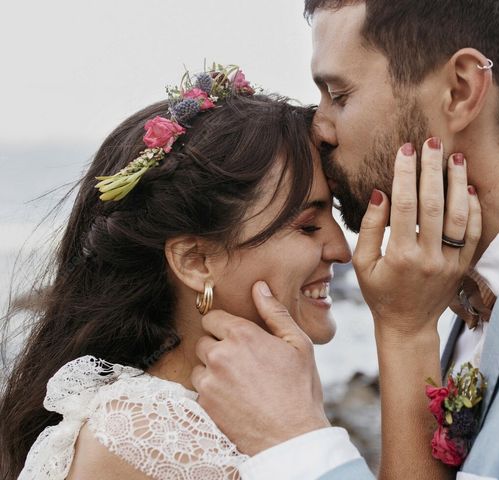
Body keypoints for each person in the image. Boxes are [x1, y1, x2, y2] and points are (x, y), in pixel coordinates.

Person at [190, 2, 499, 480]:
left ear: (460, 91)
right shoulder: (470, 295)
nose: (318, 128)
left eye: (339, 95)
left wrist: (298, 444)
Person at [0, 65, 367, 479]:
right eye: (307, 226)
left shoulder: (187, 419)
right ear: (196, 261)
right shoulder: (150, 436)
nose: (341, 251)